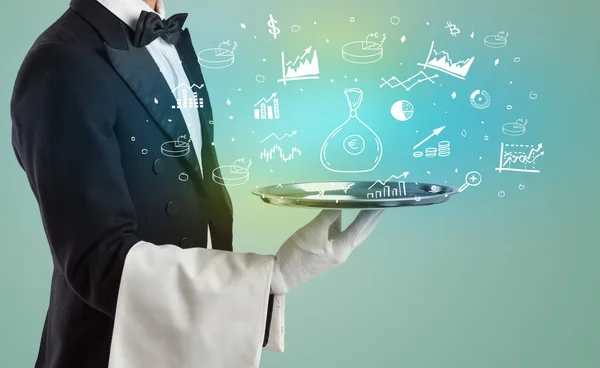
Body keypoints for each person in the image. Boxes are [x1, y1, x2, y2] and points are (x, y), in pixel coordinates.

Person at [10, 0, 385, 366]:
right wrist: (270, 276)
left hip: (191, 342)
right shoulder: (60, 62)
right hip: (109, 350)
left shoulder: (170, 41)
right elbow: (99, 261)